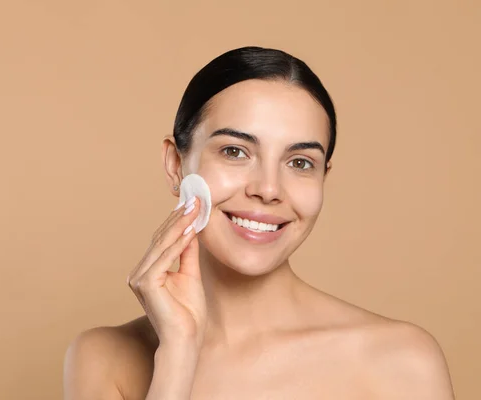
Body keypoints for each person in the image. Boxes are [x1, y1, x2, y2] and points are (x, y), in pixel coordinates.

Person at [63, 46, 454, 399]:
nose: (268, 189)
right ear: (176, 165)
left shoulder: (401, 360)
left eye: (300, 163)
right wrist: (178, 355)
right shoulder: (104, 359)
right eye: (235, 151)